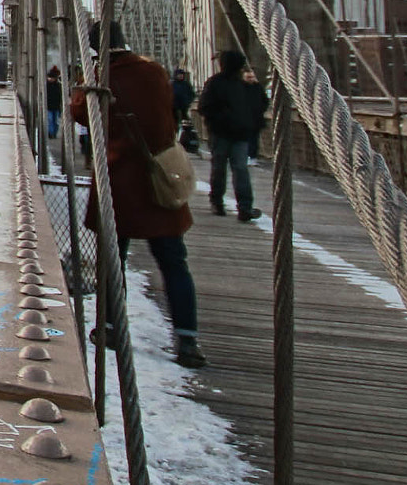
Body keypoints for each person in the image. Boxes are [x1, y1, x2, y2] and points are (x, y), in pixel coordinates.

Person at [71, 20, 206, 369]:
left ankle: (112, 327)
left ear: (94, 47)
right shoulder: (155, 71)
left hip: (119, 182)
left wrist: (85, 82)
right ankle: (187, 338)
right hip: (159, 180)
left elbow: (78, 112)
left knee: (113, 263)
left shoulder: (100, 77)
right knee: (174, 262)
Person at [198, 50, 268, 220]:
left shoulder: (214, 83)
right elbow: (260, 105)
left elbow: (203, 107)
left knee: (219, 169)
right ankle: (244, 207)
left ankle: (217, 203)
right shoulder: (244, 86)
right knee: (240, 169)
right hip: (240, 134)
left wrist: (217, 120)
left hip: (220, 133)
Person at [170, 67, 198, 154]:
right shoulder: (172, 84)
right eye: (179, 75)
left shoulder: (186, 84)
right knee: (174, 124)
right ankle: (174, 140)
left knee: (186, 124)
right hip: (174, 108)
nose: (180, 76)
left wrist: (188, 101)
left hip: (184, 107)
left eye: (182, 75)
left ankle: (187, 141)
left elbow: (192, 94)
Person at [45, 66, 64, 139]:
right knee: (50, 120)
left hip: (56, 106)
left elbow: (59, 96)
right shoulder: (47, 85)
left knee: (55, 121)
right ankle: (51, 133)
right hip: (49, 106)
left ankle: (53, 133)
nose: (50, 79)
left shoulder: (58, 85)